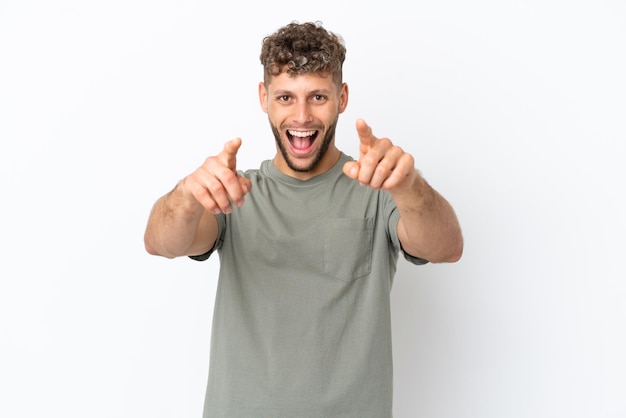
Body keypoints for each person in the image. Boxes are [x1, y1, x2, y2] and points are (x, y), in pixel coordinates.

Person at [144, 21, 463, 418]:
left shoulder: (378, 191)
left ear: (341, 98)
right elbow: (162, 243)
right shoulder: (236, 193)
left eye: (317, 96)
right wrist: (187, 196)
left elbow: (447, 247)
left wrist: (409, 185)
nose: (301, 116)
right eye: (285, 97)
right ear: (264, 98)